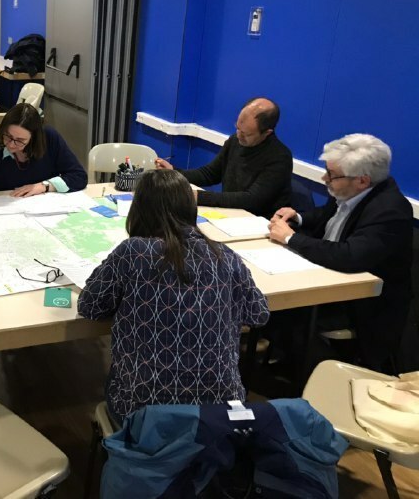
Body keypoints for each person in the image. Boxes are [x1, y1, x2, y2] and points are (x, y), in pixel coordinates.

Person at [78, 170, 270, 422]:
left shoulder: (134, 252)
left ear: (140, 210)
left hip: (142, 411)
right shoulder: (224, 255)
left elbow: (90, 306)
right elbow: (258, 314)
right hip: (220, 413)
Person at [268, 134, 413, 371]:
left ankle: (312, 374)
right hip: (325, 277)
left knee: (282, 311)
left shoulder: (389, 211)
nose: (324, 178)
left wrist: (290, 238)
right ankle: (288, 363)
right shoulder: (349, 190)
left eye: (331, 174)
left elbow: (349, 256)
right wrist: (298, 217)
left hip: (361, 304)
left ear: (362, 181)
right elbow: (328, 218)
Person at [155, 97, 292, 218]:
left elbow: (252, 200)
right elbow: (210, 174)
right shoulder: (235, 141)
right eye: (237, 128)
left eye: (246, 134)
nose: (238, 135)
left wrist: (198, 197)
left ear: (267, 133)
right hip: (230, 215)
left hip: (258, 223)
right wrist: (174, 173)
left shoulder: (280, 157)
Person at [0, 103, 87, 198]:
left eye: (20, 140)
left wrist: (45, 186)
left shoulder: (49, 138)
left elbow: (79, 176)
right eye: (8, 136)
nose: (11, 145)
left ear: (33, 138)